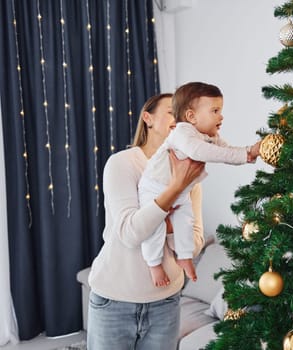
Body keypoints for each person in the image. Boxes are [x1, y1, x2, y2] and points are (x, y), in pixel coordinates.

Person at [87, 93, 206, 349]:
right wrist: (174, 190)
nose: (180, 119)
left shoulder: (191, 172)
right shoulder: (122, 163)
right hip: (114, 300)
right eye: (172, 111)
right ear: (147, 118)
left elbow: (194, 244)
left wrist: (169, 224)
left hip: (166, 302)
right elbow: (130, 233)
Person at [139, 82, 260, 286]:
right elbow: (201, 152)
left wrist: (249, 152)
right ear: (191, 117)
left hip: (180, 192)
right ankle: (154, 265)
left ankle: (185, 256)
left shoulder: (208, 135)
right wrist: (243, 154)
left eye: (220, 111)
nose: (220, 117)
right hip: (153, 188)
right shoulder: (182, 133)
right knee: (155, 229)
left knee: (186, 221)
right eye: (215, 111)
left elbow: (227, 150)